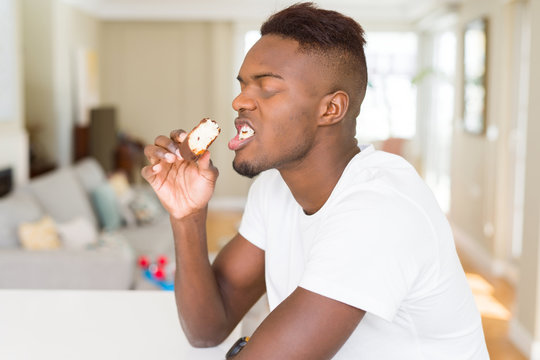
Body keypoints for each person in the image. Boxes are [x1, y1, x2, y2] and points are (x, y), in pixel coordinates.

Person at [141, 2, 489, 359]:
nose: (239, 100)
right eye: (243, 85)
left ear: (331, 109)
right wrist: (186, 215)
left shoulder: (379, 207)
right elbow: (206, 329)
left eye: (268, 88)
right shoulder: (273, 189)